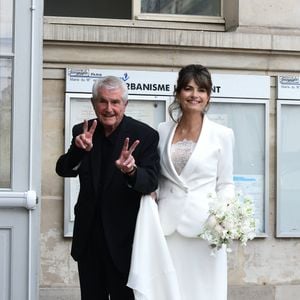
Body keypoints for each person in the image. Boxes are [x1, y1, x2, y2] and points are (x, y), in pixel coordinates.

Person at [56, 75, 160, 300]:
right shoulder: (82, 131)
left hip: (125, 243)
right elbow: (63, 169)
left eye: (115, 102)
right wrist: (78, 150)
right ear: (94, 104)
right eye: (103, 101)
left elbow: (151, 182)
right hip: (89, 240)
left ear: (125, 104)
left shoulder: (145, 135)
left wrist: (131, 171)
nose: (109, 108)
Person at [156, 64, 235, 300]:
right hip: (167, 227)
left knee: (203, 291)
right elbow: (158, 177)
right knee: (169, 290)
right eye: (188, 88)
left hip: (205, 229)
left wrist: (223, 218)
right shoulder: (162, 130)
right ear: (178, 93)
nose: (195, 95)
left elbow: (225, 183)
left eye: (201, 90)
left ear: (208, 95)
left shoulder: (222, 134)